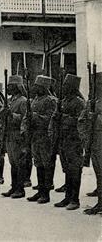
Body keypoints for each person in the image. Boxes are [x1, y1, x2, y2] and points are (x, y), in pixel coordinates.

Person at [50, 74, 85, 210]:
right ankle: (68, 196)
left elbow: (80, 121)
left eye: (65, 85)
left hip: (74, 140)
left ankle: (75, 200)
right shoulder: (63, 101)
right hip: (64, 139)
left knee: (75, 170)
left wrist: (63, 117)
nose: (63, 88)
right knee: (67, 169)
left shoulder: (79, 102)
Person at [21, 75, 57, 204]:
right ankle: (40, 190)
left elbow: (51, 118)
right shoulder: (34, 100)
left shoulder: (51, 100)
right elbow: (26, 116)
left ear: (44, 88)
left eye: (37, 86)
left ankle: (45, 193)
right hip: (34, 135)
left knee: (46, 164)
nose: (35, 88)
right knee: (38, 164)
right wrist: (25, 127)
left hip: (45, 136)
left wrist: (36, 117)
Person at [0, 75, 28, 198]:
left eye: (10, 86)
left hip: (17, 134)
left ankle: (20, 188)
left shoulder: (23, 101)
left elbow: (25, 118)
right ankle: (14, 186)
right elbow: (0, 116)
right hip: (8, 134)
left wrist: (12, 115)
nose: (8, 88)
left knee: (19, 162)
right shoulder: (9, 101)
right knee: (13, 162)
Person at [79, 71, 102, 215]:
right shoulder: (92, 103)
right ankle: (100, 202)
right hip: (94, 142)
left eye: (99, 84)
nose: (96, 87)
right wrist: (84, 135)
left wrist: (97, 118)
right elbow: (81, 120)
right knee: (99, 173)